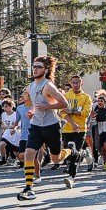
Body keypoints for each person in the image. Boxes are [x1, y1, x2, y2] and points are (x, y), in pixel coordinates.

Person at [17, 56, 75, 201]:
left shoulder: (48, 86)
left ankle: (72, 150)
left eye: (38, 67)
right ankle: (28, 188)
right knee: (29, 154)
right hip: (36, 126)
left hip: (51, 126)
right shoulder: (30, 87)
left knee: (56, 159)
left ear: (46, 70)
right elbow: (35, 105)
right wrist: (32, 112)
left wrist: (46, 106)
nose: (35, 69)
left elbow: (64, 104)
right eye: (34, 66)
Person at [60, 75, 92, 177]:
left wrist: (72, 111)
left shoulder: (86, 97)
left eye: (77, 83)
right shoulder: (66, 96)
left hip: (80, 129)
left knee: (75, 153)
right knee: (69, 152)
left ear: (81, 84)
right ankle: (84, 153)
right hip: (67, 128)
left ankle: (71, 177)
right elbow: (63, 112)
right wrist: (72, 122)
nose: (75, 85)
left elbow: (86, 113)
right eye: (73, 83)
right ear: (70, 83)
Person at [0, 98, 22, 166]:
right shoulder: (3, 114)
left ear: (11, 106)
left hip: (14, 133)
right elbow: (3, 124)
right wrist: (2, 129)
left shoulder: (16, 114)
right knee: (2, 144)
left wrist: (12, 128)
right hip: (6, 133)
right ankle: (3, 159)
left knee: (15, 151)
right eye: (4, 107)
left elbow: (18, 125)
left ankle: (22, 161)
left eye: (6, 106)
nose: (5, 108)